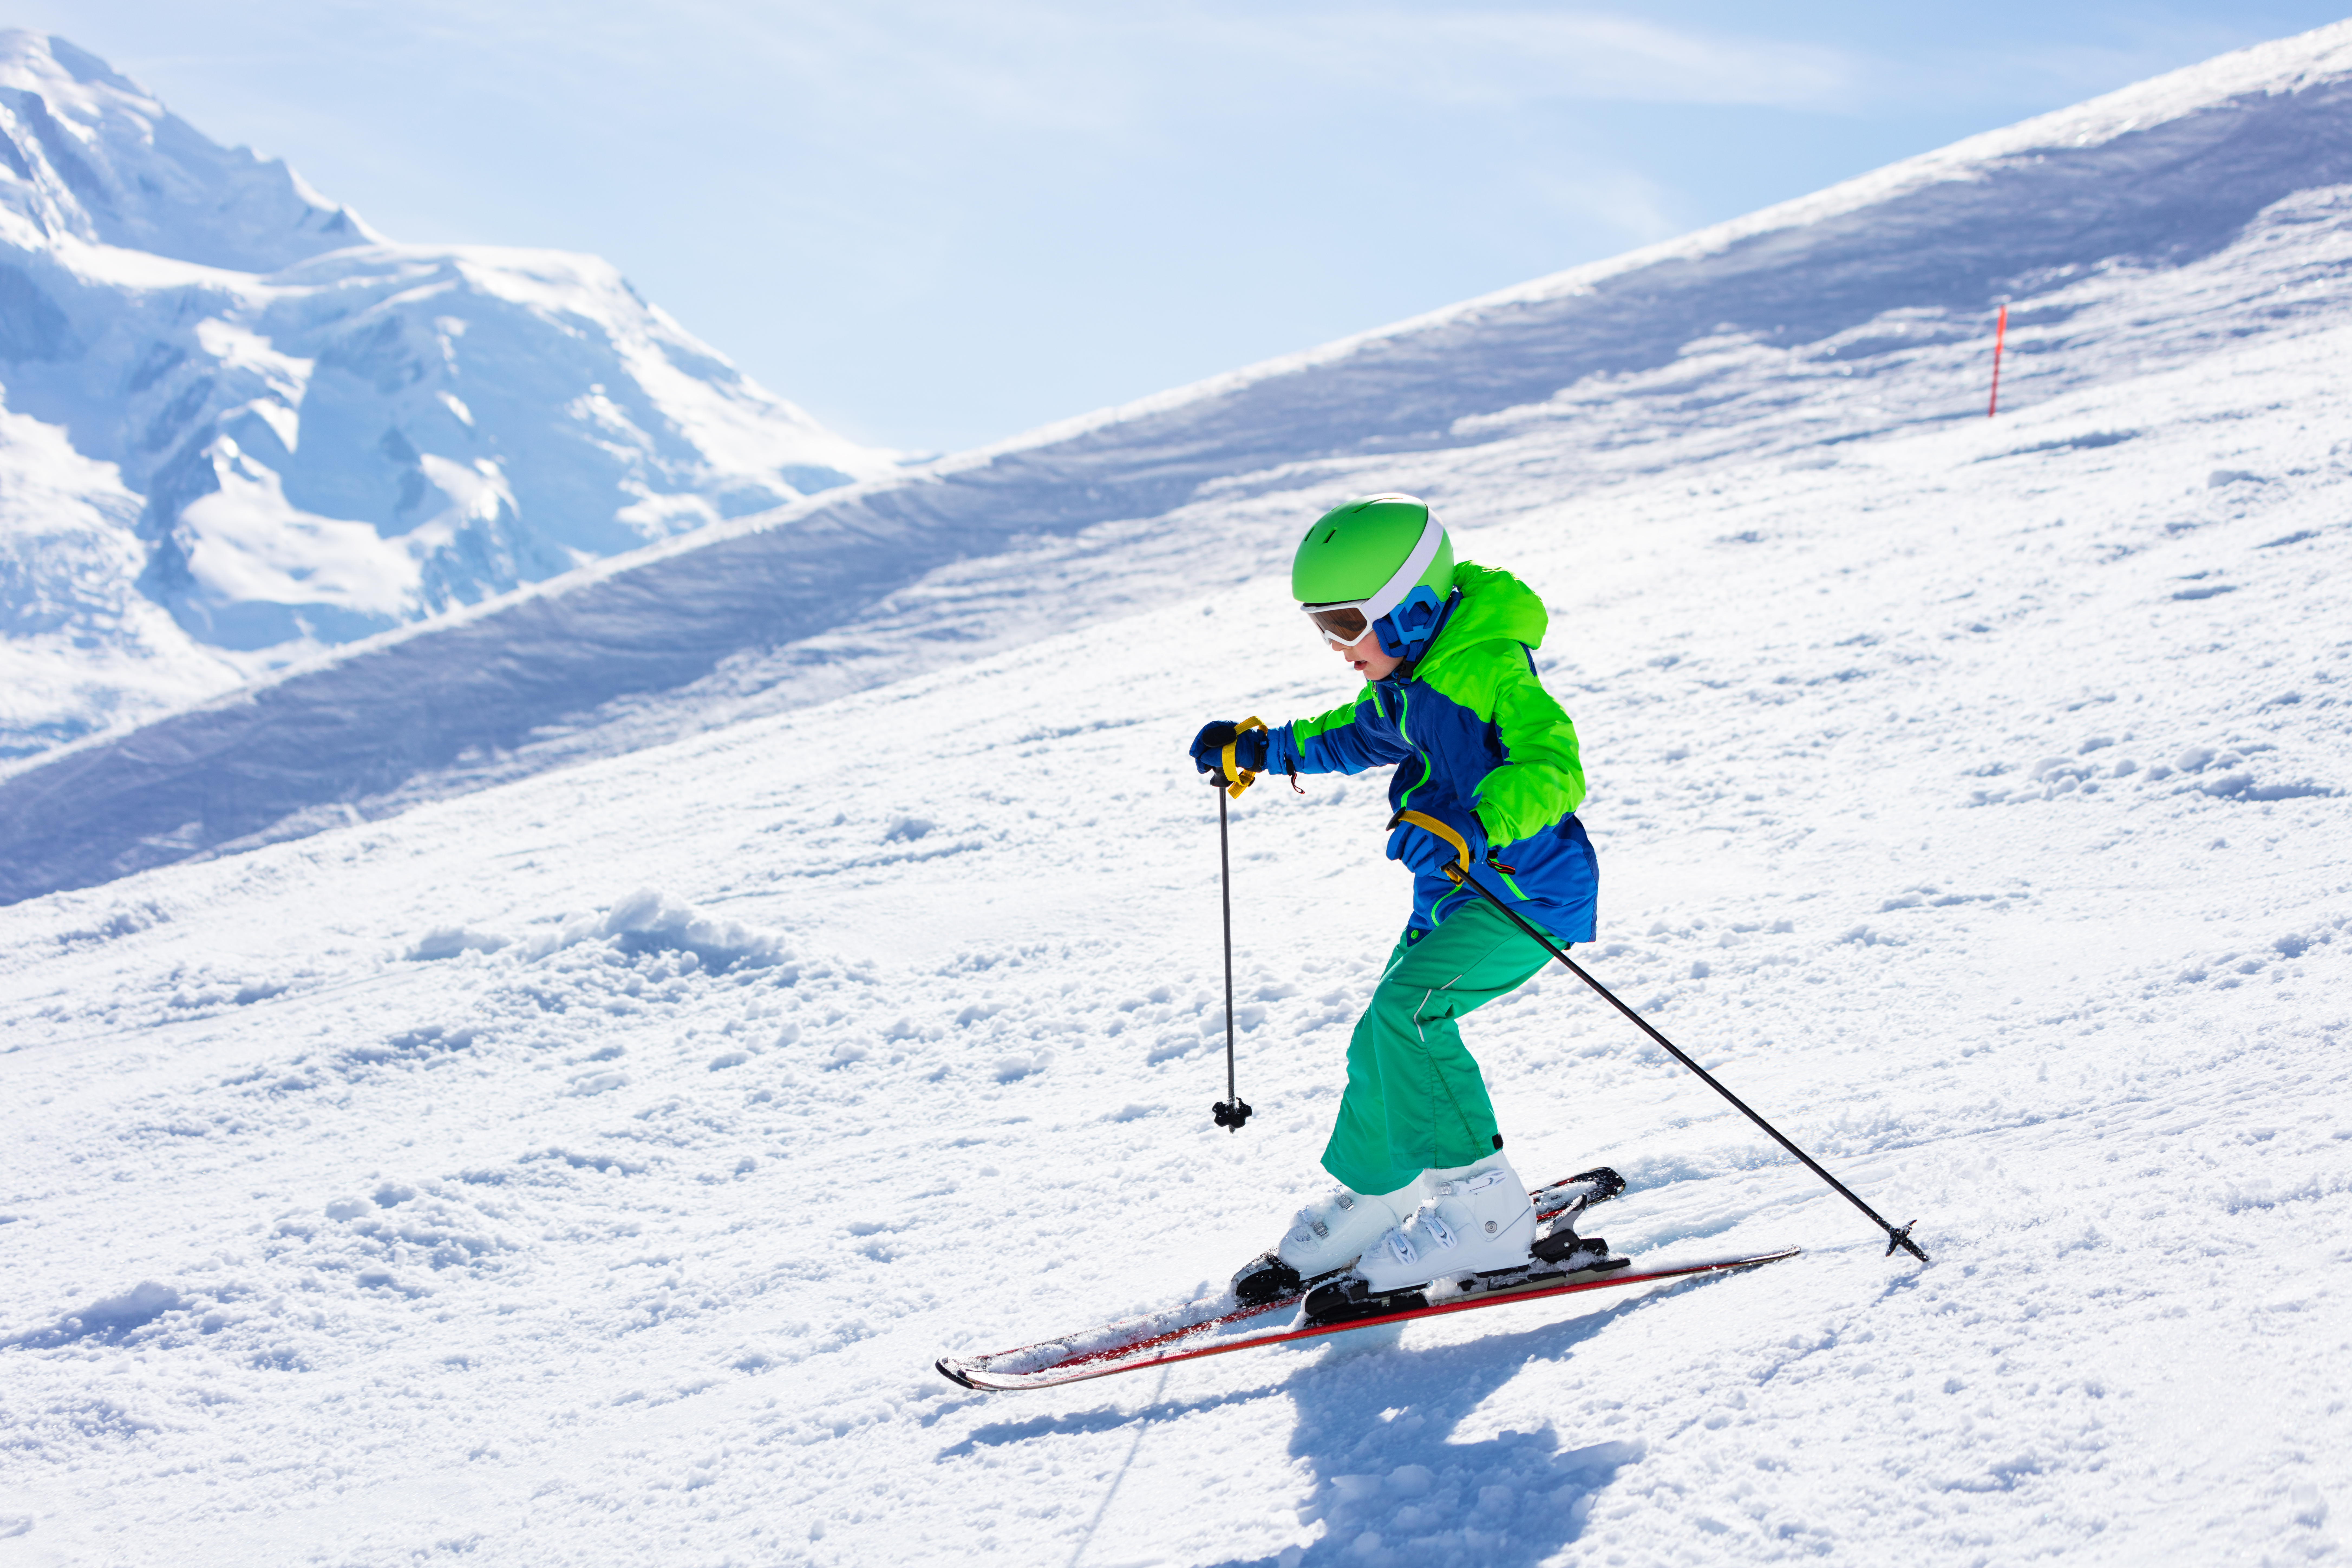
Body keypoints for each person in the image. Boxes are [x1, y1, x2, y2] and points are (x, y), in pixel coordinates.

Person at [1190, 492, 1598, 1304]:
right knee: (1381, 1033)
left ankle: (1489, 1216)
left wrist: (1474, 824)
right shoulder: (1408, 680)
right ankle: (1387, 1193)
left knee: (1410, 1017)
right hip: (1453, 893)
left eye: (1345, 625)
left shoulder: (1489, 667)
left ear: (1409, 612)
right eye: (1322, 628)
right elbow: (1356, 734)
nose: (1337, 647)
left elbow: (1557, 769)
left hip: (1524, 892)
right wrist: (1261, 749)